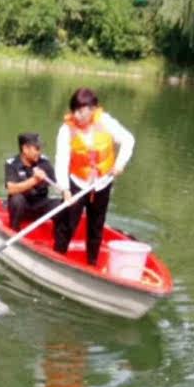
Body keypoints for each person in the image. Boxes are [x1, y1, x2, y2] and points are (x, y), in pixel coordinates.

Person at [53, 88, 135, 265]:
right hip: (77, 184)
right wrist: (65, 189)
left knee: (96, 226)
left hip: (102, 183)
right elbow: (61, 160)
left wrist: (120, 164)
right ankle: (57, 258)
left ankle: (92, 262)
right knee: (67, 224)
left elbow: (128, 140)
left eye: (81, 111)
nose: (77, 115)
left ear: (92, 109)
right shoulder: (66, 130)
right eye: (74, 110)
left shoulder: (105, 121)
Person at [4, 133, 61, 230]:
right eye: (37, 149)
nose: (39, 152)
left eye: (40, 149)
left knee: (61, 205)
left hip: (41, 203)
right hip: (23, 207)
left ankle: (59, 236)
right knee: (17, 199)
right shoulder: (12, 164)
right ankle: (14, 230)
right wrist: (35, 180)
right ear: (25, 149)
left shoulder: (44, 161)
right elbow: (11, 189)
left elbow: (56, 184)